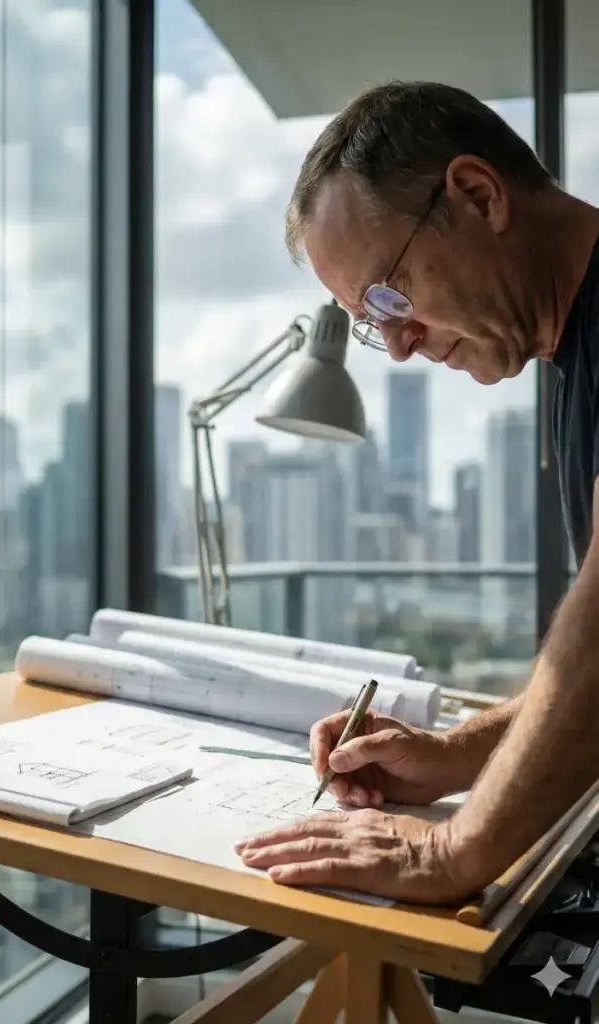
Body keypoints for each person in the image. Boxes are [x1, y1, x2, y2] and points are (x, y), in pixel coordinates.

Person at [235, 80, 599, 903]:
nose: (395, 345)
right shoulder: (575, 353)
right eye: (370, 319)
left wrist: (451, 852)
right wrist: (456, 753)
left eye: (389, 296)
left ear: (476, 195)